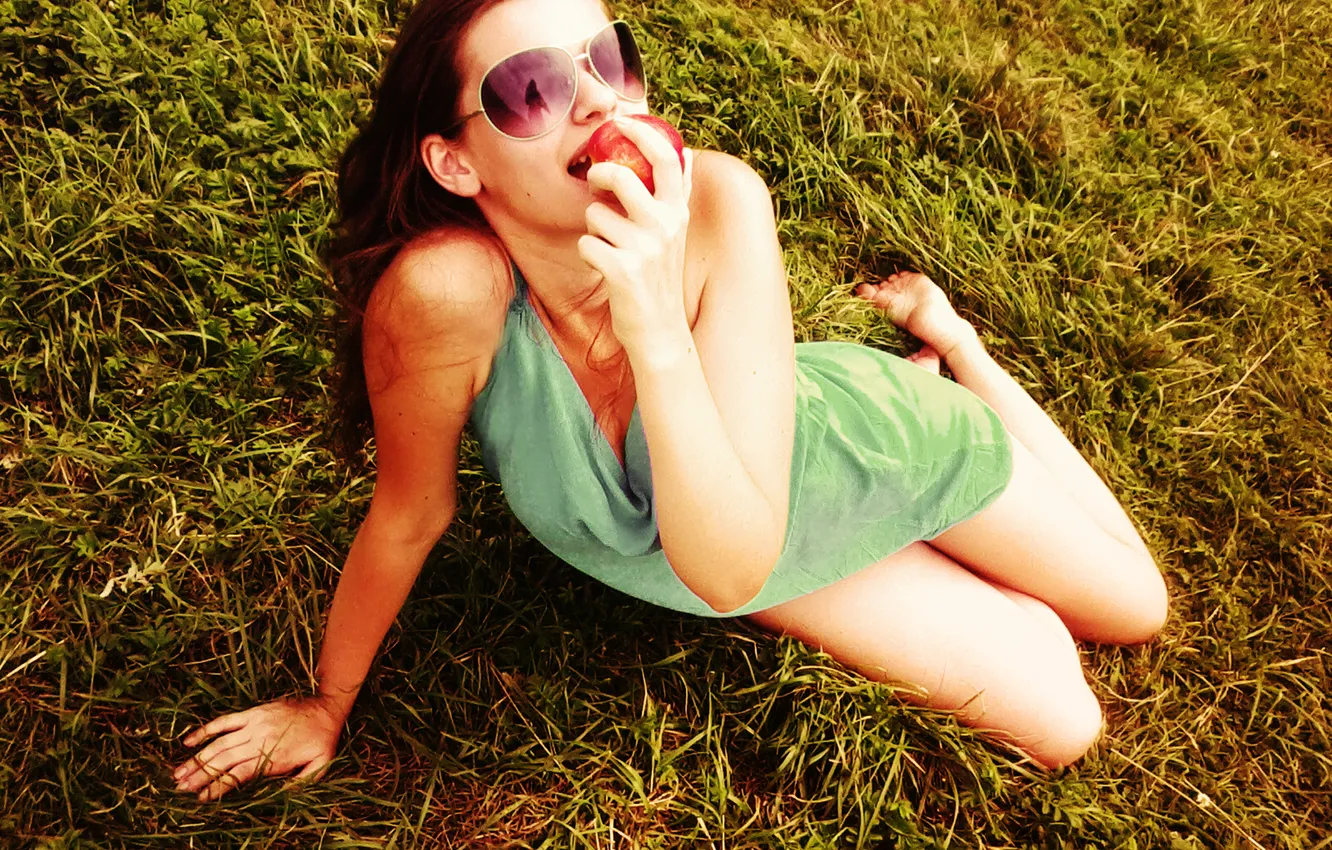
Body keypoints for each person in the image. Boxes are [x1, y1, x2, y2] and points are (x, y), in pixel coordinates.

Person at [172, 0, 1169, 802]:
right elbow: (410, 512)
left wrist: (652, 315)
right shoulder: (445, 296)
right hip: (751, 545)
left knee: (1138, 611)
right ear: (455, 160)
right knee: (1067, 722)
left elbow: (730, 561)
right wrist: (326, 704)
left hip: (871, 449)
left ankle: (958, 353)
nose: (596, 101)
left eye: (608, 59)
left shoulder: (721, 198)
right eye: (530, 89)